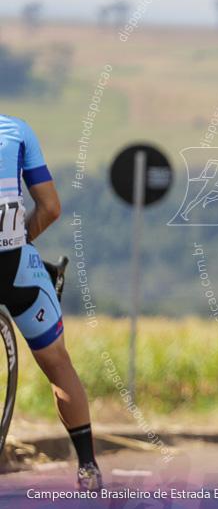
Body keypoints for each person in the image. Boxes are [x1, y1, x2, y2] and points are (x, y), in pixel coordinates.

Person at [0, 113, 102, 490]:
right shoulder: (17, 130)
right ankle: (88, 467)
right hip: (15, 266)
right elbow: (51, 208)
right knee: (58, 364)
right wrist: (21, 239)